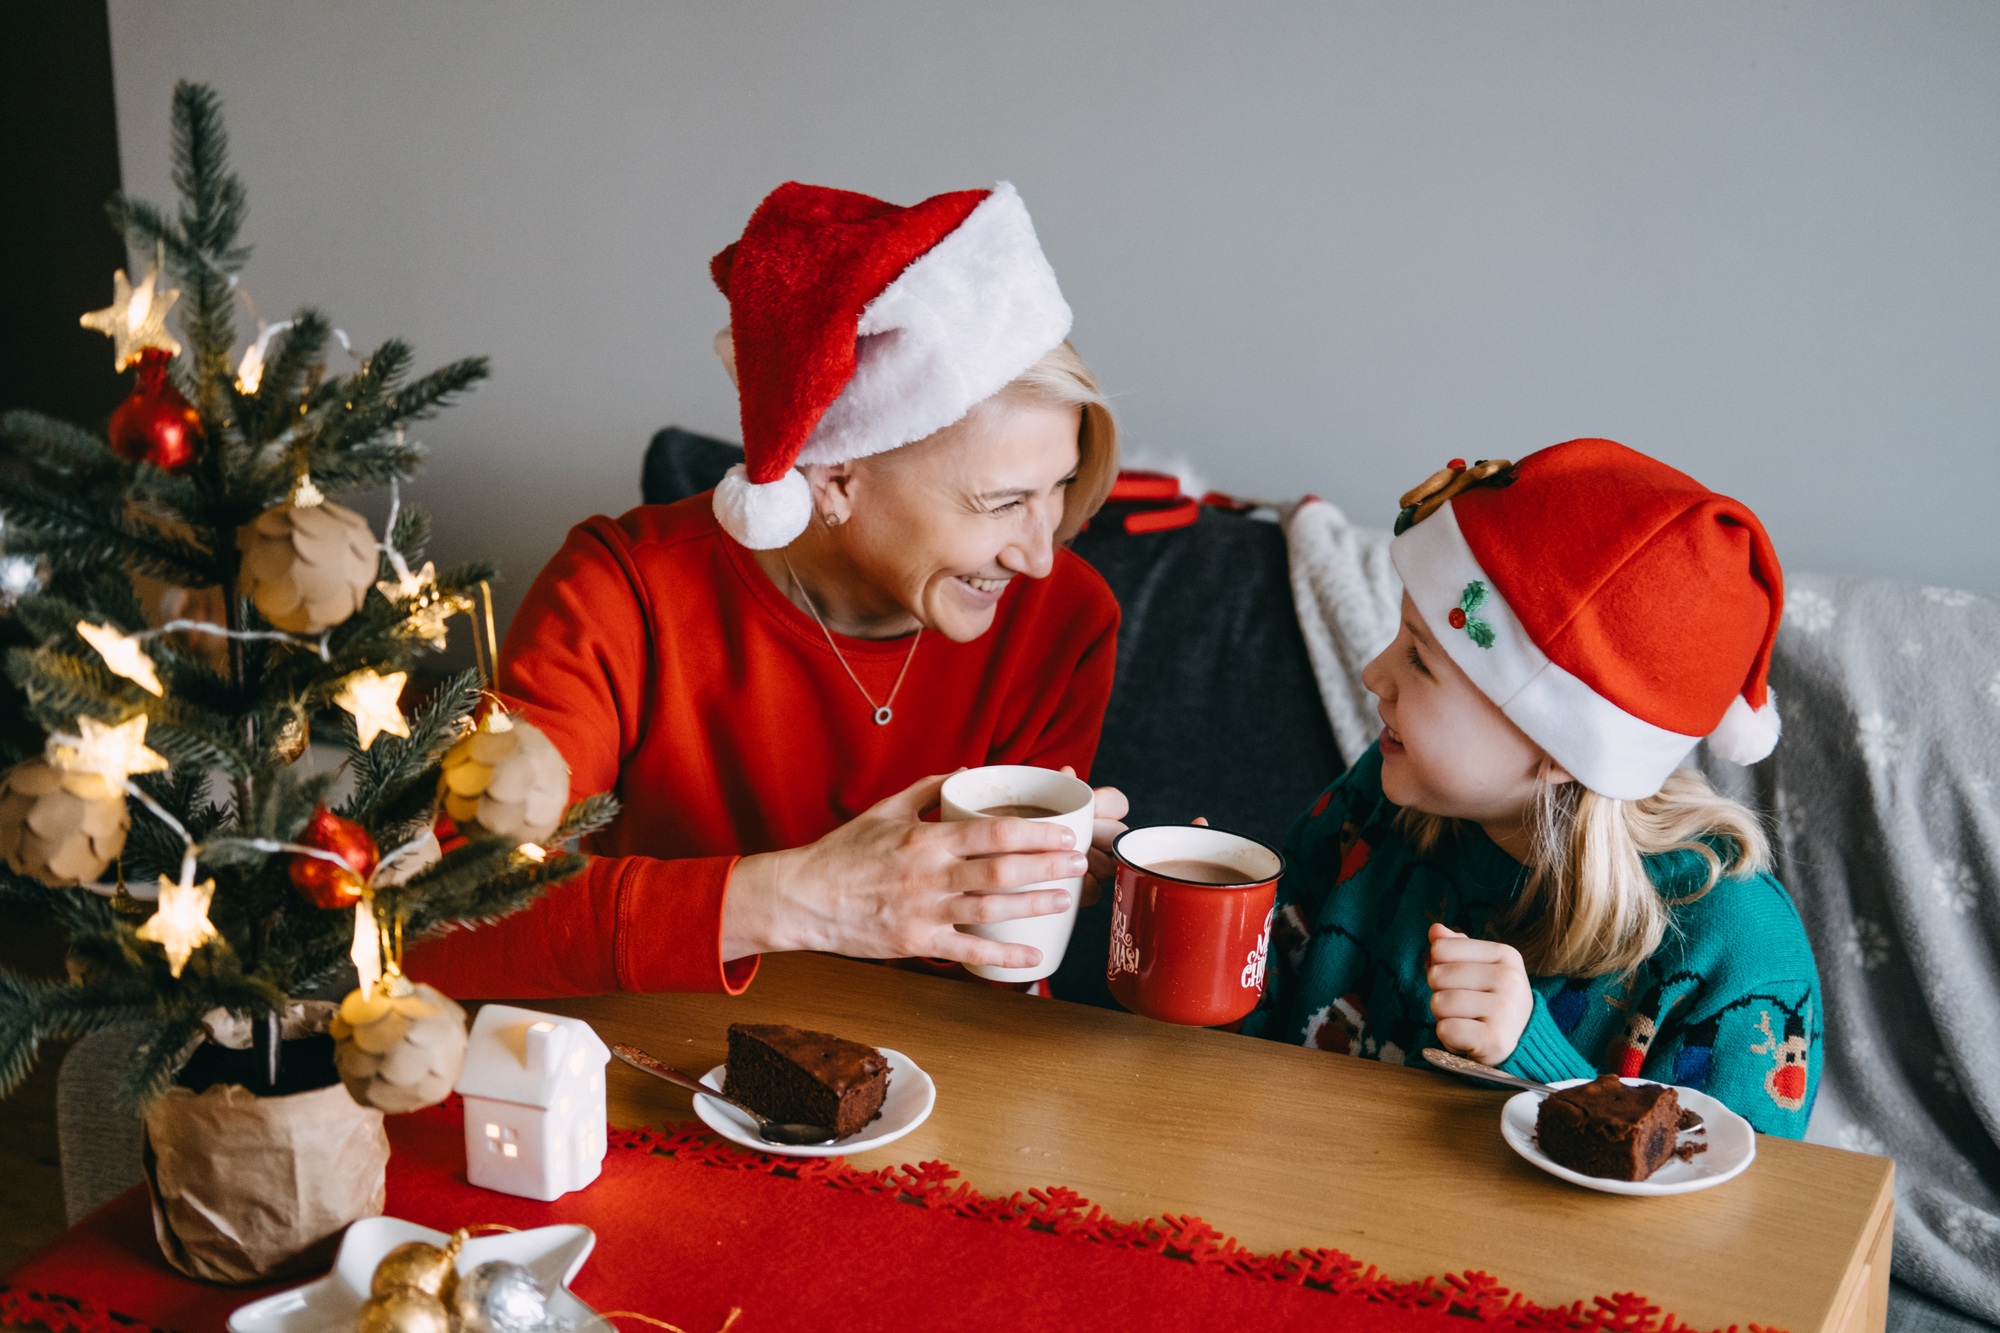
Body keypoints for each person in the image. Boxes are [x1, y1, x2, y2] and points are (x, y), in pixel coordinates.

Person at [410, 181, 1128, 998]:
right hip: (665, 1072)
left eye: (1059, 488)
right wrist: (792, 897)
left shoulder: (1065, 620)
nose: (1039, 555)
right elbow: (444, 917)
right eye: (1001, 503)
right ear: (835, 475)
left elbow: (990, 975)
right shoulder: (620, 595)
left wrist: (1033, 884)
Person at [1244, 439, 1821, 1137]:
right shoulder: (1380, 798)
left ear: (1557, 748)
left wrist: (1537, 1061)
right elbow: (1255, 1007)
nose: (1373, 673)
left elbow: (1738, 1206)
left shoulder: (1735, 948)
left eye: (1420, 659)